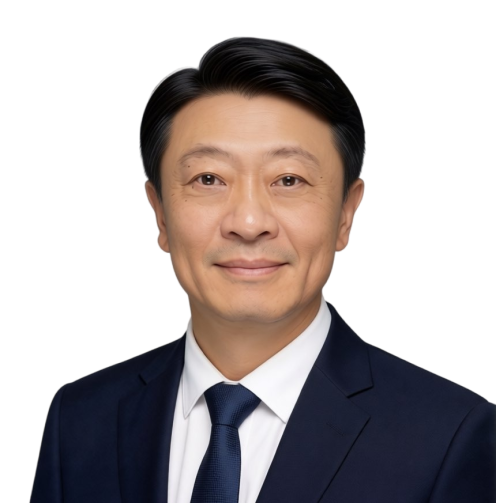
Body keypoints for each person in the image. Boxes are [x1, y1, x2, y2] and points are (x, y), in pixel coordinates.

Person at [30, 37, 496, 503]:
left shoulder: (450, 438)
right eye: (208, 179)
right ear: (161, 215)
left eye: (289, 180)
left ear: (345, 214)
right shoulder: (81, 419)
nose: (249, 223)